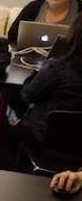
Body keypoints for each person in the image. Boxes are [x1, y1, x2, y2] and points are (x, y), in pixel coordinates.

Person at [11, 13, 82, 144]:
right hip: (78, 147)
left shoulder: (57, 67)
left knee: (14, 94)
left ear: (74, 34)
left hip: (45, 139)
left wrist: (36, 74)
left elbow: (27, 95)